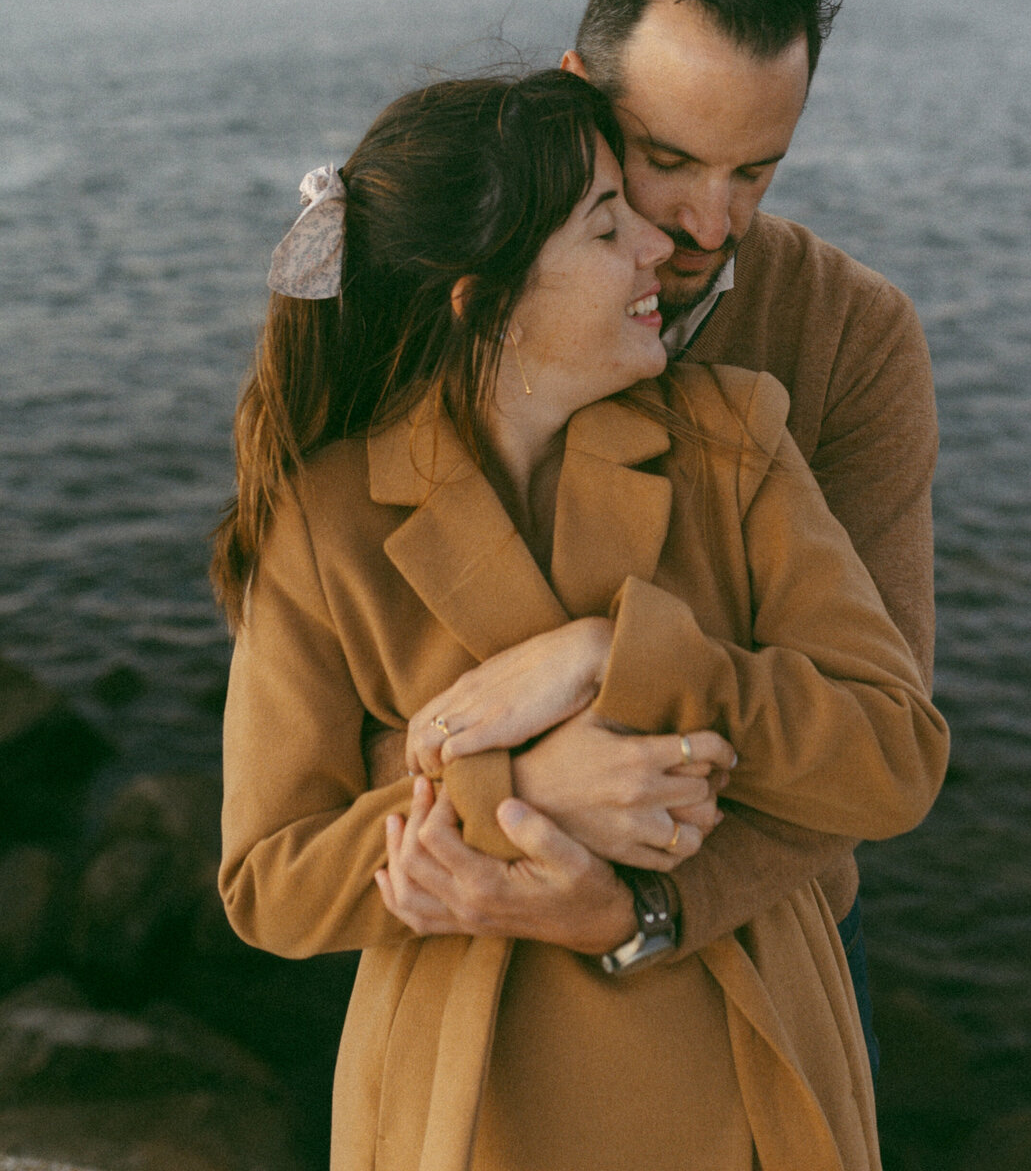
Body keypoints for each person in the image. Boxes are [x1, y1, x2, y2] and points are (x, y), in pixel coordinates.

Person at [215, 70, 949, 1171]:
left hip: (745, 1065)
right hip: (467, 1105)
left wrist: (618, 656)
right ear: (487, 302)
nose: (660, 246)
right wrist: (515, 792)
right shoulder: (325, 521)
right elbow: (267, 881)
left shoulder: (733, 438)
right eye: (609, 229)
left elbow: (894, 756)